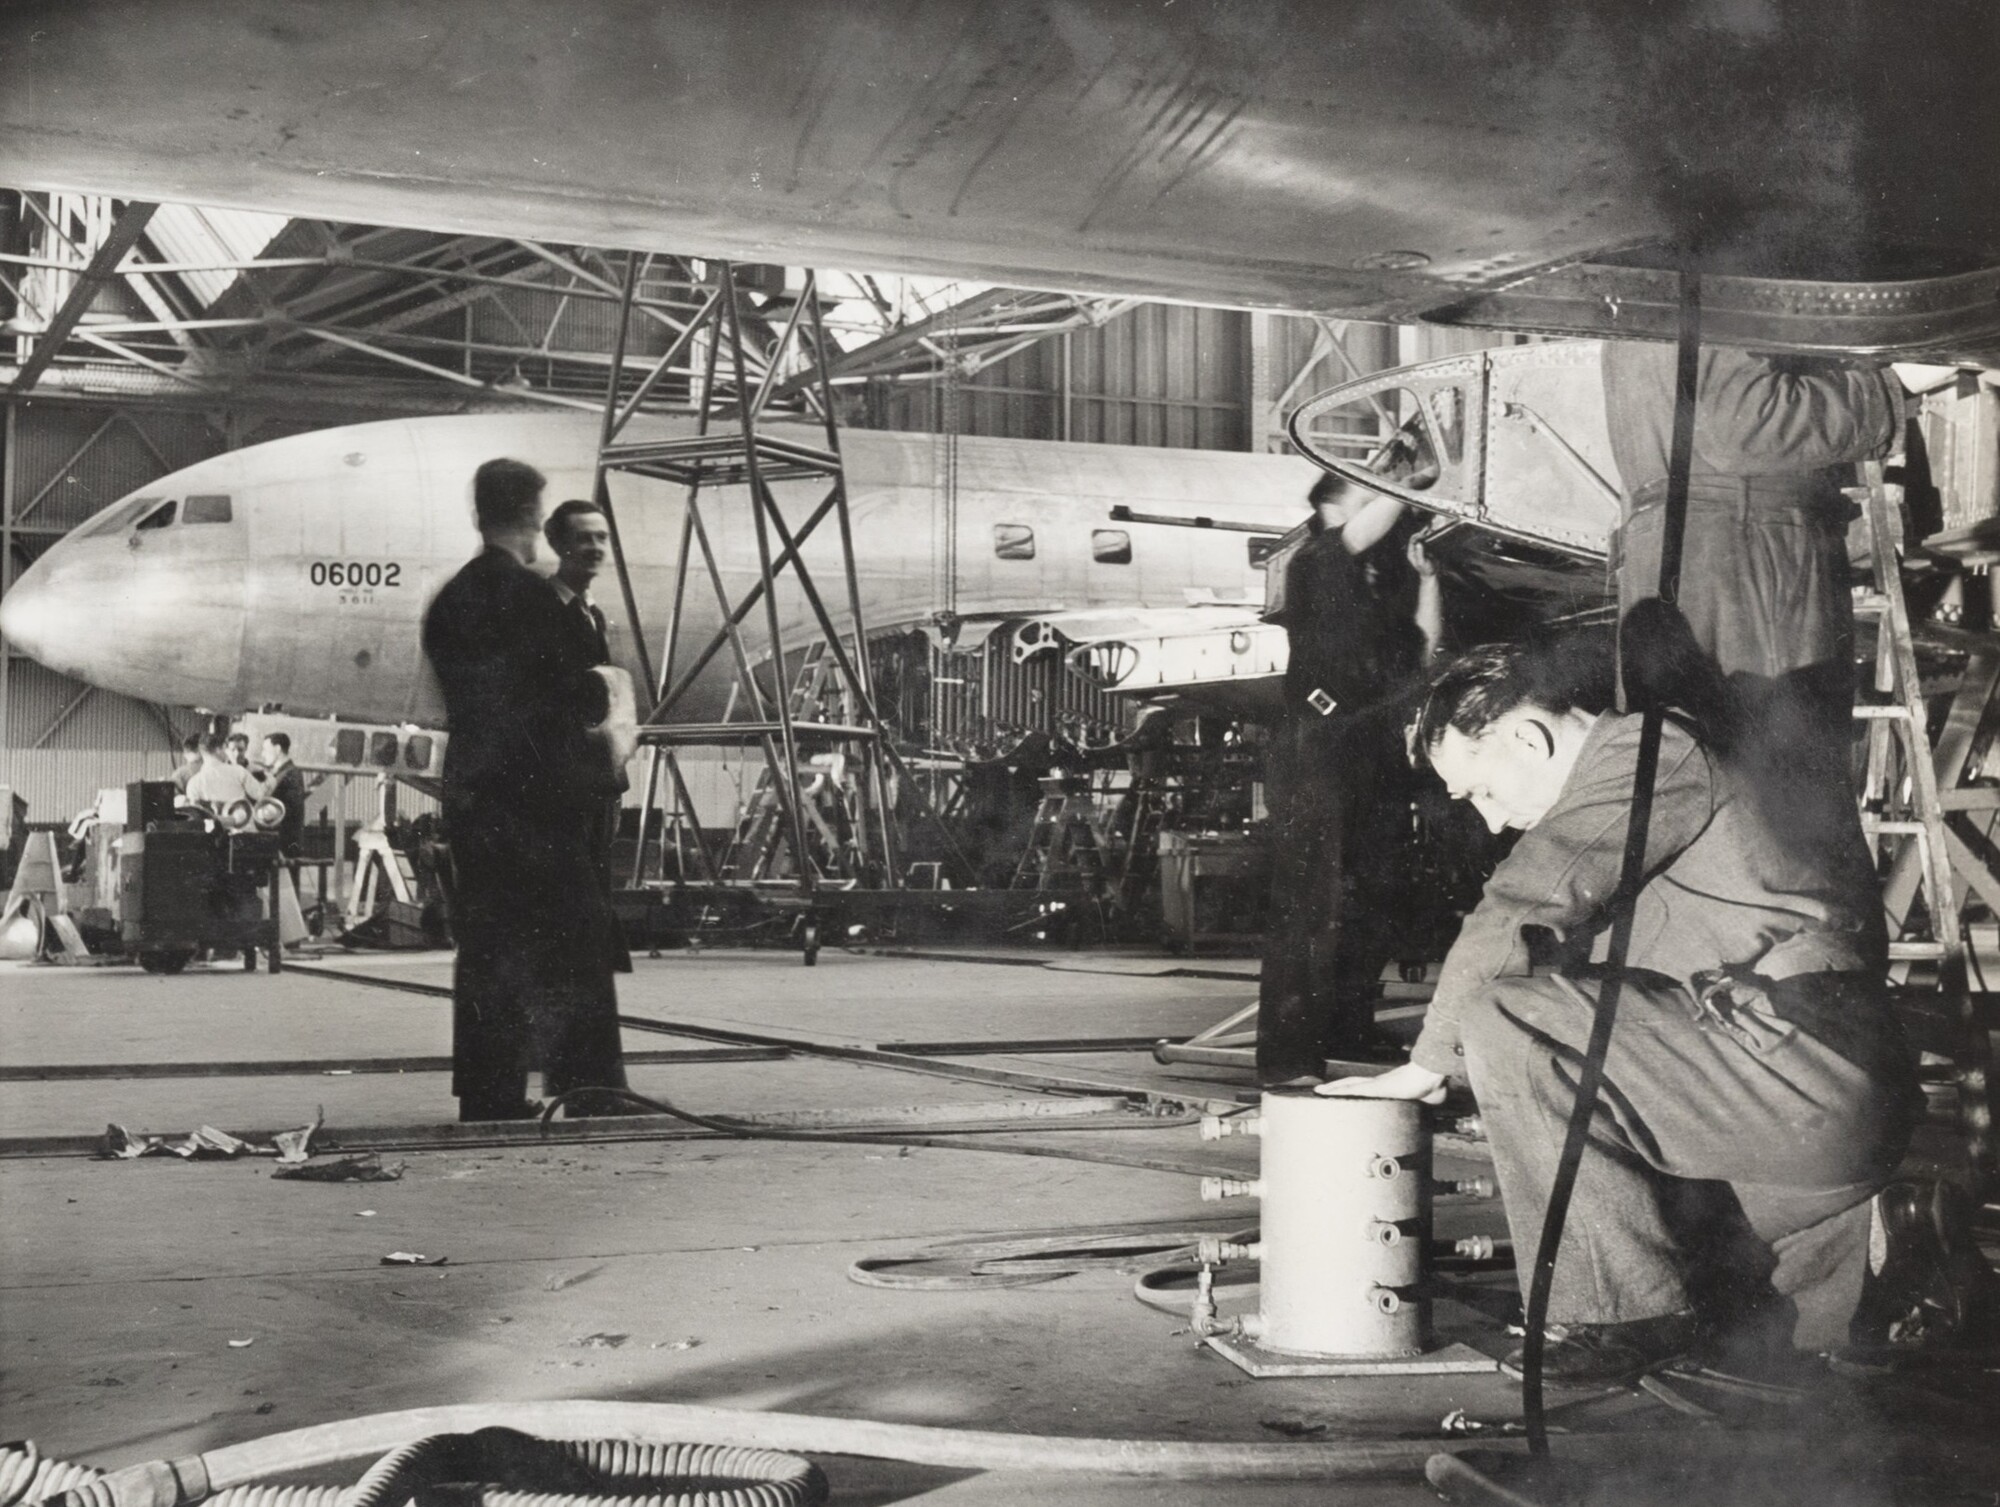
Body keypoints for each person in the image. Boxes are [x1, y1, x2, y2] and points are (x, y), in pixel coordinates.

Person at [1322, 638, 1917, 1383]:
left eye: (1479, 790)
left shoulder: (1647, 756)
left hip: (1803, 1075)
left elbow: (1521, 907)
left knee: (1507, 1016)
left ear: (1527, 737)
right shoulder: (1667, 775)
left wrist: (1421, 1068)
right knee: (1720, 1296)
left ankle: (1621, 1312)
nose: (1493, 820)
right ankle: (1904, 1236)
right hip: (1810, 1117)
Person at [421, 459, 629, 1122]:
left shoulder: (451, 599)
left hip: (475, 802)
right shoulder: (533, 598)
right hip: (537, 806)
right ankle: (589, 1089)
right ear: (537, 517)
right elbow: (572, 699)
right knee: (577, 943)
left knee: (488, 950)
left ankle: (490, 1093)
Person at [1254, 469, 1443, 1083]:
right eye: (1368, 500)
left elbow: (1423, 646)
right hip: (1317, 749)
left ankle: (1349, 1027)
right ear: (1340, 504)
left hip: (1369, 751)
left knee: (1374, 896)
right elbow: (1373, 520)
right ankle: (1288, 1057)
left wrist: (1428, 580)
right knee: (1312, 900)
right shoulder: (1313, 561)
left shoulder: (1372, 587)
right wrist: (1419, 477)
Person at [543, 497, 632, 972]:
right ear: (557, 543)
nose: (596, 547)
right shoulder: (542, 611)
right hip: (561, 779)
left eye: (602, 537)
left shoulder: (592, 614)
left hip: (596, 778)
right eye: (584, 537)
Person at [258, 732, 307, 878]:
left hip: (286, 842)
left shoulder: (290, 774)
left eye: (265, 749)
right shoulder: (281, 773)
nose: (262, 754)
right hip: (282, 840)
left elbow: (289, 809)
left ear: (278, 749)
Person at [183, 732, 267, 811]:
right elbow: (261, 795)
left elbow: (194, 812)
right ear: (218, 749)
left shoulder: (194, 782)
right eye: (225, 748)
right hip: (240, 823)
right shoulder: (240, 772)